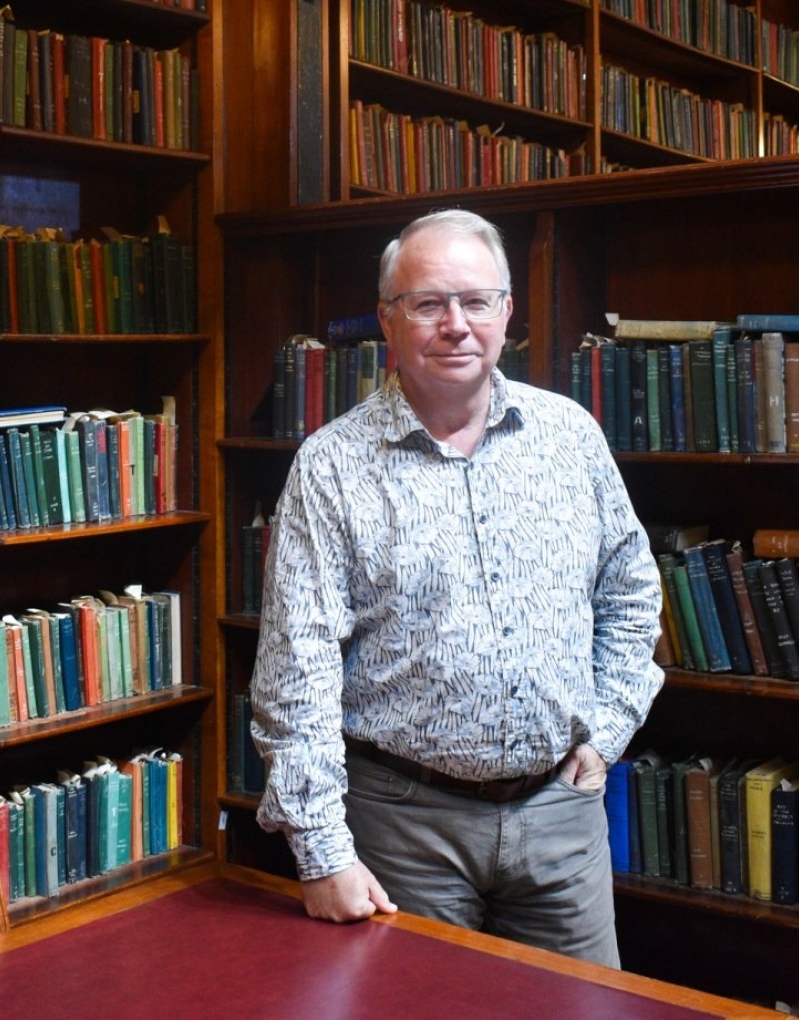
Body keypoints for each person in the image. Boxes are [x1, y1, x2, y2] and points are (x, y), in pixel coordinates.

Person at [249, 208, 665, 967]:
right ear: (387, 320)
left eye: (476, 301)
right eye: (429, 303)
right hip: (405, 829)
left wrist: (606, 732)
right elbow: (295, 673)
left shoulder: (569, 437)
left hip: (562, 822)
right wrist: (320, 852)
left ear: (507, 312)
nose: (456, 325)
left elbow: (631, 594)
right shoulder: (331, 466)